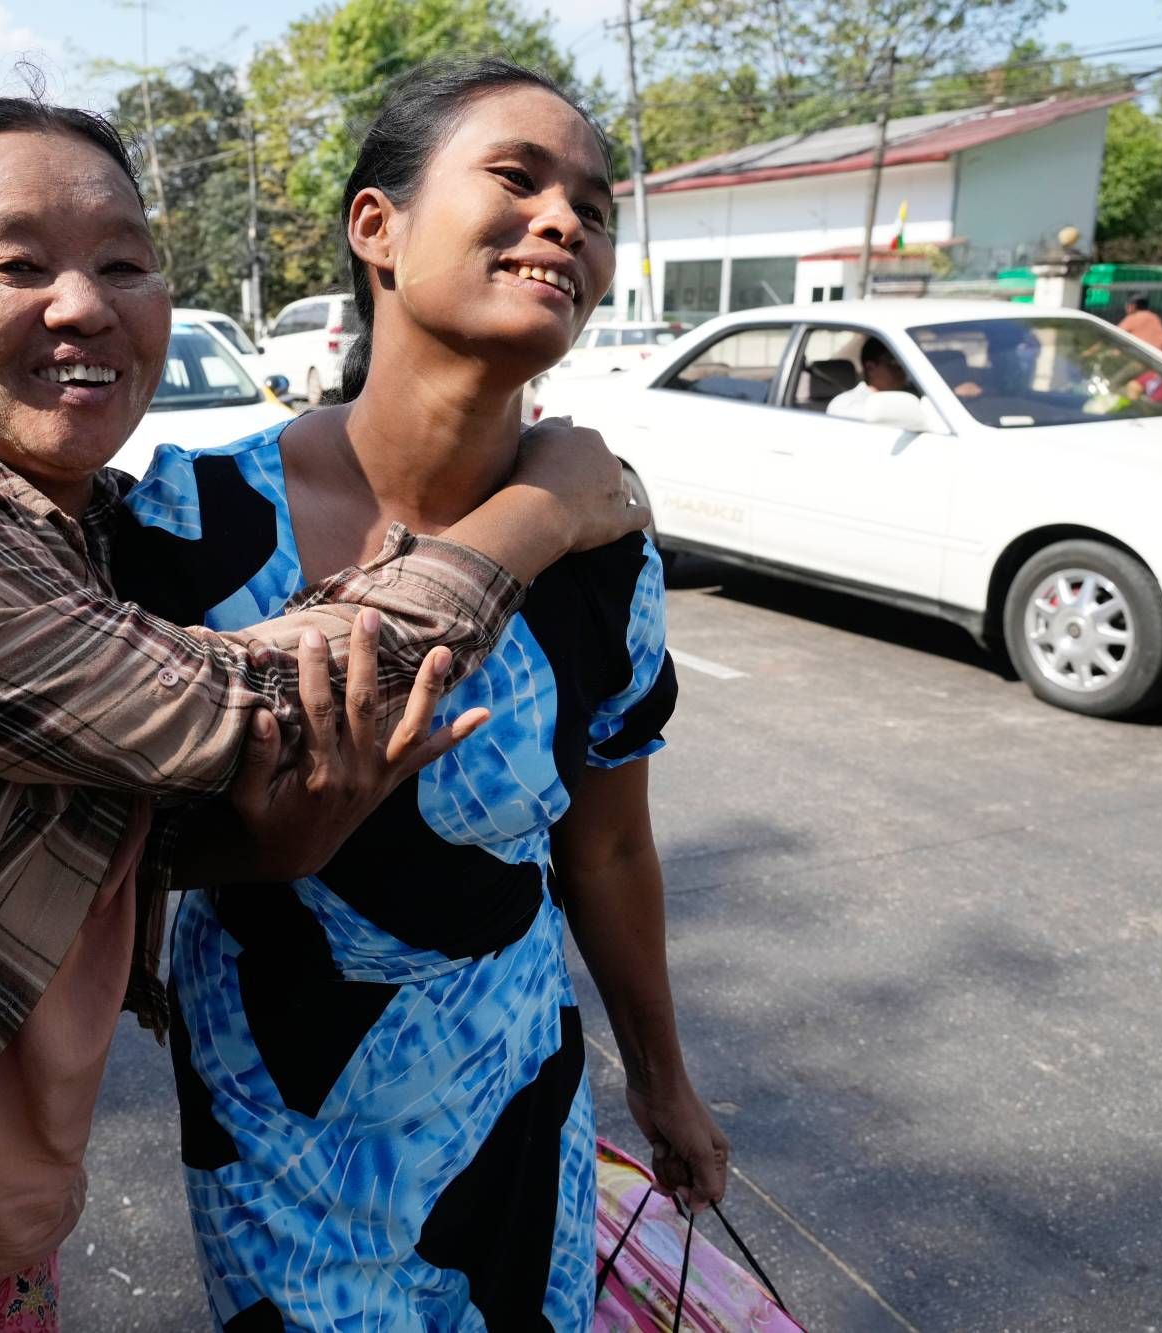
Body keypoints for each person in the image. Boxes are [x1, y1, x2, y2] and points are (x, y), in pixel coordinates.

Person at [0, 96, 643, 1333]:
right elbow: (256, 707)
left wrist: (255, 845)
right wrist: (540, 510)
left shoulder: (79, 525)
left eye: (124, 263)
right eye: (18, 264)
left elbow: (61, 811)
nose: (82, 304)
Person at [115, 58, 724, 1329]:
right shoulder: (187, 527)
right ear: (374, 227)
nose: (563, 221)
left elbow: (608, 847)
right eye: (516, 179)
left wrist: (661, 1078)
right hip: (277, 1117)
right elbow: (93, 836)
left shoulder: (601, 556)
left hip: (514, 1098)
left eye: (593, 208)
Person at [826, 335, 910, 419]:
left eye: (903, 363)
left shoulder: (910, 396)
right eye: (894, 363)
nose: (902, 369)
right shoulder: (847, 404)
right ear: (870, 368)